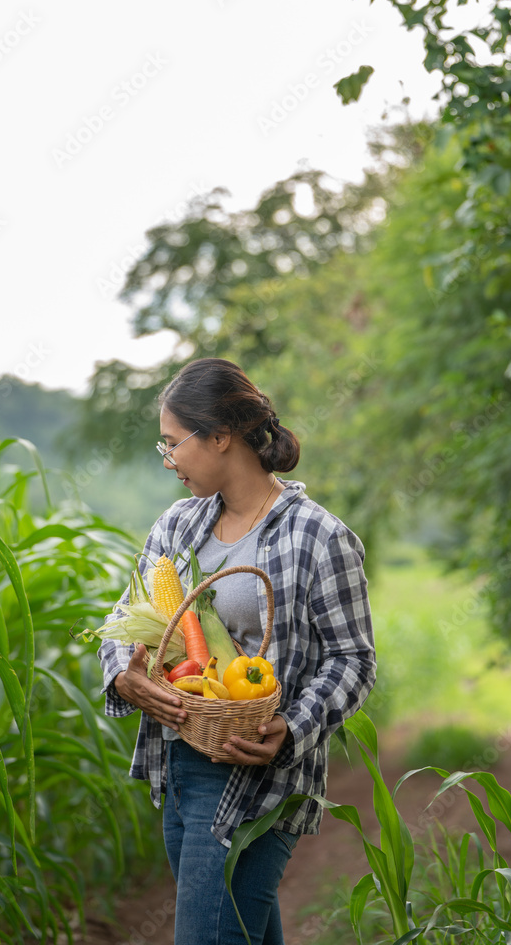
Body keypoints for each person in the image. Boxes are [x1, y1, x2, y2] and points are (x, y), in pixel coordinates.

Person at [98, 358, 376, 945]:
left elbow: (353, 658)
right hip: (177, 763)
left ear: (220, 436)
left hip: (259, 776)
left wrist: (292, 727)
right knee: (239, 932)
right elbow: (126, 619)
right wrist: (123, 675)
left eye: (173, 443)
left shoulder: (318, 536)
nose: (168, 459)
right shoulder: (176, 526)